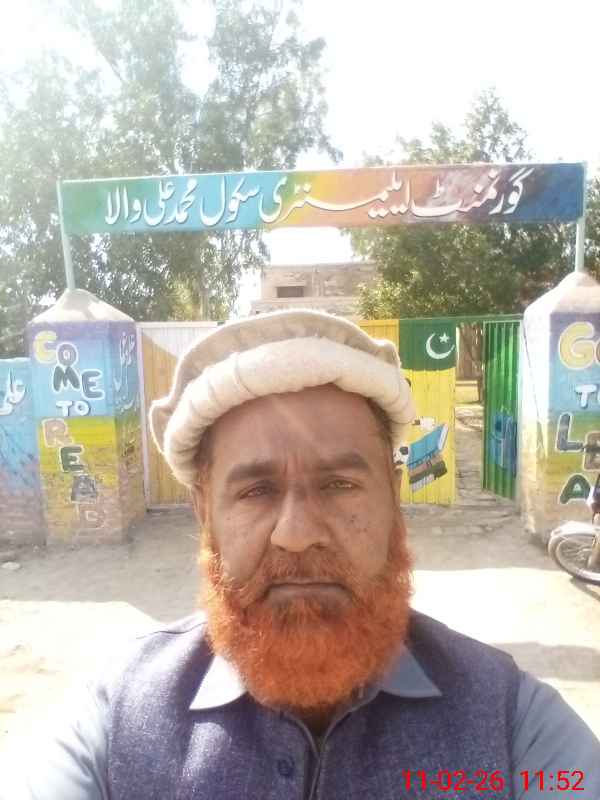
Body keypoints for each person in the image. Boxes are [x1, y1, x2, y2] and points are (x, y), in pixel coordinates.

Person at [6, 309, 600, 799]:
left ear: (393, 498)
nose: (296, 533)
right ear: (204, 511)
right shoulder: (115, 721)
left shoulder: (512, 725)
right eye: (255, 491)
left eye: (339, 485)